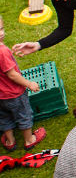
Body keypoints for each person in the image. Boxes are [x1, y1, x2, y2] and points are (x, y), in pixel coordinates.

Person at [0, 15, 44, 151]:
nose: (1, 33)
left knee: (4, 117)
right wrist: (28, 83)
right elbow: (12, 74)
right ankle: (29, 139)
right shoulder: (2, 51)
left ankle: (10, 141)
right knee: (24, 114)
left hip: (0, 96)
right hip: (14, 93)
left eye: (1, 28)